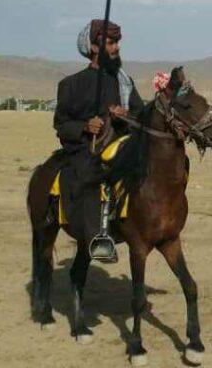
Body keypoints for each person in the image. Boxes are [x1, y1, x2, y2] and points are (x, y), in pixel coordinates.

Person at [54, 19, 144, 261]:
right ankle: (98, 237)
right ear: (94, 48)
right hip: (87, 148)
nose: (116, 48)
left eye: (117, 43)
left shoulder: (124, 82)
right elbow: (61, 124)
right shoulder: (71, 84)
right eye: (111, 43)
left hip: (121, 144)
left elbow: (140, 115)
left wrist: (126, 116)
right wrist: (85, 126)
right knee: (90, 174)